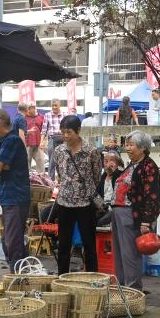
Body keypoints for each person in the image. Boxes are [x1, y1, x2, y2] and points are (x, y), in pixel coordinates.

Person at [51, 114, 102, 275]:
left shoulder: (91, 151)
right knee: (64, 244)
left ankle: (93, 277)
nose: (65, 136)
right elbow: (60, 173)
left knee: (89, 244)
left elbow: (96, 176)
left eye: (69, 132)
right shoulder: (58, 151)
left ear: (78, 131)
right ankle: (62, 278)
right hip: (64, 203)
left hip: (85, 204)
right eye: (63, 132)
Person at [112, 131, 160, 291]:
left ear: (142, 148)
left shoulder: (148, 166)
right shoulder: (131, 165)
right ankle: (122, 287)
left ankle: (133, 290)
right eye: (126, 144)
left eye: (131, 145)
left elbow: (152, 195)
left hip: (131, 214)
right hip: (118, 212)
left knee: (130, 254)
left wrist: (147, 220)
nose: (127, 148)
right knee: (120, 253)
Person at [0, 108, 32, 270]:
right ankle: (25, 272)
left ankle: (18, 276)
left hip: (15, 197)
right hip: (11, 197)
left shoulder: (11, 140)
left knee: (12, 242)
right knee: (11, 239)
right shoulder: (9, 140)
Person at [42, 99, 65, 176]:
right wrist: (41, 142)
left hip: (63, 138)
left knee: (62, 160)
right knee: (52, 160)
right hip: (52, 138)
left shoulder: (64, 114)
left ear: (59, 105)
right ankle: (51, 181)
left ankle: (61, 179)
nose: (54, 107)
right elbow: (44, 129)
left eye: (56, 105)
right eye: (53, 105)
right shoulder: (47, 115)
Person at [25, 103, 45, 176]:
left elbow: (44, 130)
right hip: (27, 143)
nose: (29, 110)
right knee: (26, 161)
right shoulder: (24, 118)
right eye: (29, 108)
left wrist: (43, 141)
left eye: (32, 107)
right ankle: (27, 178)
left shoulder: (41, 117)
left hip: (38, 143)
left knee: (40, 161)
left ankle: (42, 178)